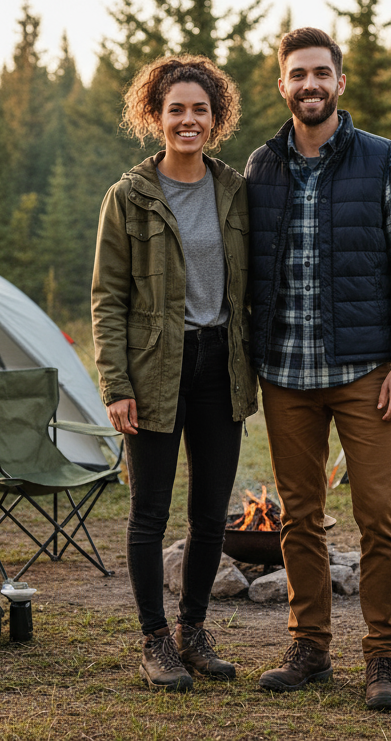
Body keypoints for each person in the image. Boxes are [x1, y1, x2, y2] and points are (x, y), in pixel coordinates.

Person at [244, 28, 391, 710]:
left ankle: (383, 656)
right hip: (285, 374)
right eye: (298, 75)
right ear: (283, 85)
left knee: (378, 514)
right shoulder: (261, 166)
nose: (310, 84)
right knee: (299, 517)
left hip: (364, 373)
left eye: (321, 72)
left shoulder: (383, 161)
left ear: (340, 83)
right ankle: (309, 646)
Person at [91, 55, 257, 693]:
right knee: (148, 514)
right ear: (154, 116)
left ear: (216, 119)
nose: (188, 120)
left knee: (211, 514)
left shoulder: (235, 190)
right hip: (154, 368)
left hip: (221, 364)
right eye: (176, 109)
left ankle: (193, 631)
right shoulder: (127, 197)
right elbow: (108, 299)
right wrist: (117, 385)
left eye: (200, 110)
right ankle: (154, 640)